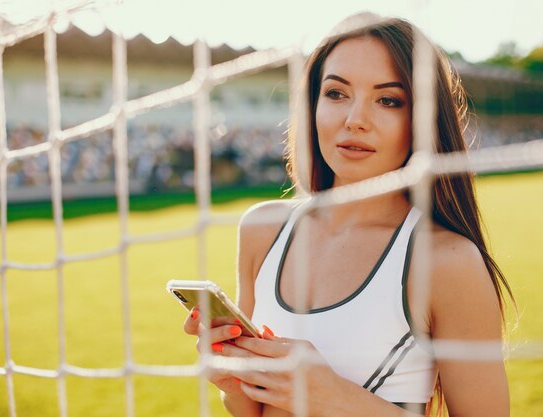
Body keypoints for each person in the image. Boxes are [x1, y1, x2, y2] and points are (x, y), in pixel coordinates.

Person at [184, 12, 514, 417]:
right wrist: (234, 383)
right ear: (312, 104)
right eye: (336, 94)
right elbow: (253, 409)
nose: (355, 120)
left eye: (388, 100)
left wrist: (332, 396)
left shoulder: (445, 261)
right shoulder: (262, 230)